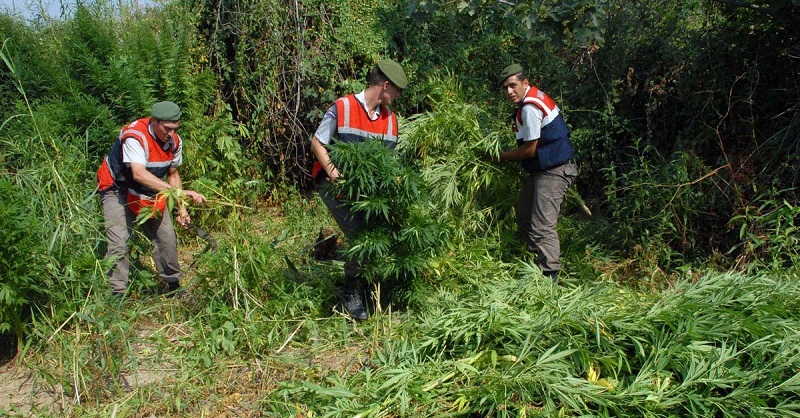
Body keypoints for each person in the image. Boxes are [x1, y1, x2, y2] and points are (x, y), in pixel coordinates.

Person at [310, 59, 408, 320]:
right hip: (335, 186)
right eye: (397, 90)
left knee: (377, 233)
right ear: (385, 85)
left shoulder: (391, 120)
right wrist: (333, 172)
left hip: (367, 194)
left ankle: (370, 284)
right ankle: (350, 291)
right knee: (360, 236)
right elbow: (317, 142)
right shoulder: (343, 107)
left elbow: (388, 163)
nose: (398, 95)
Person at [96, 101, 206, 297]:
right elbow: (138, 173)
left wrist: (182, 209)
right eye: (167, 128)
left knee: (167, 239)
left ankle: (172, 287)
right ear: (154, 121)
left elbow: (173, 175)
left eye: (175, 129)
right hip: (118, 190)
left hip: (149, 191)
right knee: (119, 242)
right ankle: (116, 294)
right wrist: (179, 193)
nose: (171, 134)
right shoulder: (135, 137)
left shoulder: (174, 142)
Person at [492, 64, 577, 282]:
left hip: (554, 170)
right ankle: (533, 264)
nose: (509, 92)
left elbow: (529, 150)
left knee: (542, 225)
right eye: (505, 88)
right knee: (524, 215)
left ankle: (549, 279)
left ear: (525, 83)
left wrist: (500, 156)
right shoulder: (534, 97)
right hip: (544, 169)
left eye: (513, 85)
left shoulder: (529, 107)